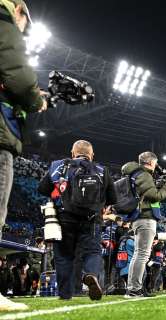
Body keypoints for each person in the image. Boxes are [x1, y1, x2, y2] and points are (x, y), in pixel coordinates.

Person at [0, 0, 49, 311]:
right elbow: (17, 72)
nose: (24, 31)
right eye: (25, 25)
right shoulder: (4, 22)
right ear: (19, 10)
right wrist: (35, 99)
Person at [38, 140, 117, 300]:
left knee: (64, 256)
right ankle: (90, 274)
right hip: (92, 219)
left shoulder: (58, 166)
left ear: (72, 153)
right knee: (93, 251)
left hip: (64, 218)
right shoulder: (102, 170)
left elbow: (42, 189)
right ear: (91, 155)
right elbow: (112, 198)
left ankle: (65, 294)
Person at [122, 152, 166, 298]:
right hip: (145, 218)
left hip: (140, 218)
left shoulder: (139, 174)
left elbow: (152, 197)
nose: (156, 167)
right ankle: (133, 289)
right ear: (150, 162)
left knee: (139, 254)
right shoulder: (143, 174)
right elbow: (155, 196)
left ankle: (134, 288)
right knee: (142, 255)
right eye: (155, 163)